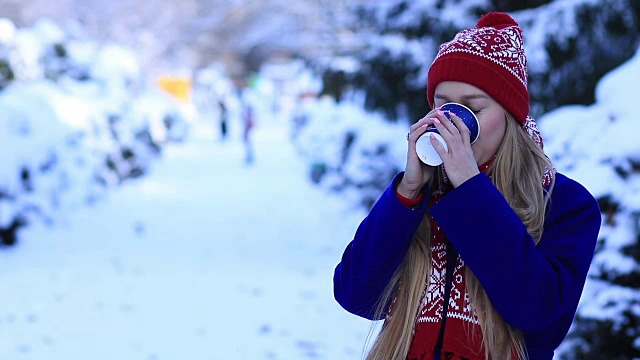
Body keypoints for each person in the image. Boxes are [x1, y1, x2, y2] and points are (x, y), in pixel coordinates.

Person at [333, 12, 601, 360]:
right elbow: (356, 295)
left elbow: (539, 314)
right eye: (443, 104)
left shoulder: (565, 202)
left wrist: (471, 190)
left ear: (510, 116)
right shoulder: (418, 197)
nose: (453, 120)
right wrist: (407, 193)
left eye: (472, 107)